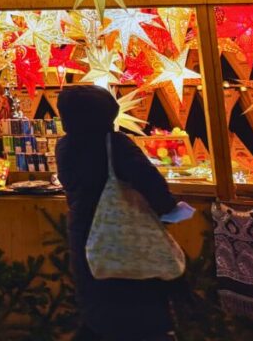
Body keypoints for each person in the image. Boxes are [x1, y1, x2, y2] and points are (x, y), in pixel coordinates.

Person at [56, 85, 193, 341]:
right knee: (136, 309)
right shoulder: (115, 145)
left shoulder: (65, 147)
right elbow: (147, 179)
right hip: (125, 235)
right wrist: (169, 209)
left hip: (86, 234)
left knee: (97, 306)